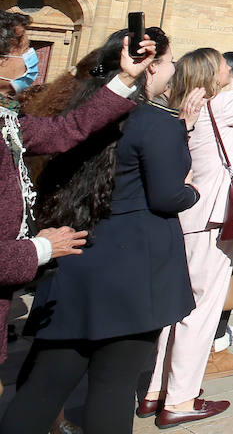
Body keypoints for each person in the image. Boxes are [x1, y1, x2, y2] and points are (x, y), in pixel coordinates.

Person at [0, 37, 203, 434]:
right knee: (113, 385)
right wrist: (191, 186)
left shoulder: (75, 113)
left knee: (43, 386)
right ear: (151, 68)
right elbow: (166, 195)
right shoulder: (156, 123)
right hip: (131, 270)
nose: (173, 68)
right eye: (170, 61)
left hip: (71, 257)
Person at [141, 45, 233, 427]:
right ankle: (180, 398)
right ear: (213, 75)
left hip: (189, 214)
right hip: (212, 216)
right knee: (200, 309)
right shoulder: (223, 105)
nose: (230, 69)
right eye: (225, 66)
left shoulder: (202, 106)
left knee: (176, 307)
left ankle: (156, 389)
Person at [0, 33, 157, 366]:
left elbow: (67, 129)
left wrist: (127, 77)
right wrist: (39, 249)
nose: (30, 57)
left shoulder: (7, 121)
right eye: (22, 50)